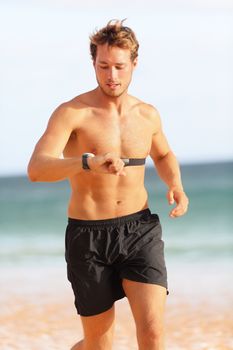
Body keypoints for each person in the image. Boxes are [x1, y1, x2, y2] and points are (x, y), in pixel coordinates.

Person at [27, 19, 189, 350]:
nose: (111, 76)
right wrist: (86, 162)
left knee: (153, 331)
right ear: (94, 64)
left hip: (139, 230)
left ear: (134, 64)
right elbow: (37, 168)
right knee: (98, 345)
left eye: (118, 66)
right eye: (103, 66)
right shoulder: (72, 112)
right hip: (88, 237)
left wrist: (176, 184)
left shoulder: (147, 115)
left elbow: (163, 154)